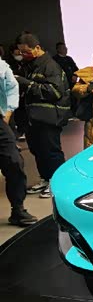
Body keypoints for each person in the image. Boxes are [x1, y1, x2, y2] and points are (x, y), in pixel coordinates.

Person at [14, 33, 71, 199]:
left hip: (49, 117)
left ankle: (57, 183)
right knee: (37, 150)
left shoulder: (50, 66)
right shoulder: (29, 65)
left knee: (51, 151)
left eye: (26, 52)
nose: (23, 55)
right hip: (33, 118)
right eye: (20, 52)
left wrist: (26, 84)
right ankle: (46, 179)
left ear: (37, 48)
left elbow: (54, 92)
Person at [0, 57, 37, 225]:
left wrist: (8, 112)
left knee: (14, 161)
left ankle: (18, 209)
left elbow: (12, 86)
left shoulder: (1, 66)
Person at [53, 42, 79, 117]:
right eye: (63, 48)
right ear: (58, 49)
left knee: (73, 98)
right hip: (61, 84)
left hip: (71, 83)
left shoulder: (69, 59)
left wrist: (75, 75)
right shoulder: (55, 59)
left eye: (65, 48)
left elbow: (76, 69)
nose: (65, 49)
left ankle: (74, 113)